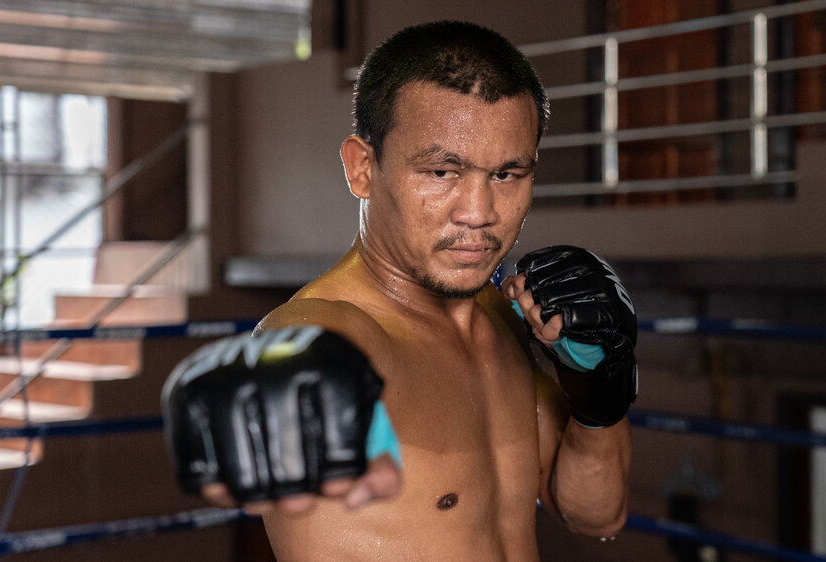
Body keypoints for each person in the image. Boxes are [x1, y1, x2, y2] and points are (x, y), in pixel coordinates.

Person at [162, 21, 638, 560]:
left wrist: (600, 393)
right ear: (362, 168)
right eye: (440, 171)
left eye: (507, 175)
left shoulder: (501, 316)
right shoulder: (330, 333)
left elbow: (598, 513)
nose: (479, 214)